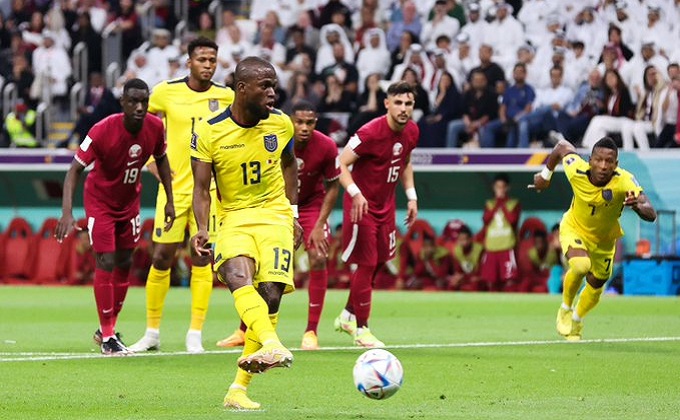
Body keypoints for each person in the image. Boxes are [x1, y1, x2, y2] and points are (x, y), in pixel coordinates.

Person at [190, 56, 303, 410]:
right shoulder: (209, 130)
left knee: (270, 295)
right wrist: (202, 229)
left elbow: (289, 165)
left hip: (274, 216)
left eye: (274, 85)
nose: (273, 92)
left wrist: (295, 214)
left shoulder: (281, 125)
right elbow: (201, 188)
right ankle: (272, 343)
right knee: (238, 276)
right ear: (242, 89)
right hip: (234, 216)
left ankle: (238, 390)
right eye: (265, 86)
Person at [128, 37, 234, 354]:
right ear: (188, 62)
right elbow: (141, 122)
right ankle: (151, 332)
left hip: (209, 193)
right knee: (161, 256)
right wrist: (149, 161)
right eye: (201, 59)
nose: (207, 64)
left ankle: (195, 334)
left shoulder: (226, 96)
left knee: (202, 257)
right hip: (173, 191)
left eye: (212, 59)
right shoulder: (165, 91)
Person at [55, 78, 175, 355]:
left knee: (124, 261)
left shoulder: (155, 127)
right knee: (106, 259)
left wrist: (169, 198)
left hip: (129, 203)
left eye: (144, 101)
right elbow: (74, 170)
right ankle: (108, 336)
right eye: (133, 101)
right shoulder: (102, 130)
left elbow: (162, 159)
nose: (140, 107)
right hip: (100, 203)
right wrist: (66, 212)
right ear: (123, 103)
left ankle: (106, 329)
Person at [216, 100, 341, 351]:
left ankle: (311, 332)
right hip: (273, 206)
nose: (304, 127)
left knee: (317, 257)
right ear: (290, 119)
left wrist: (319, 224)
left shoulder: (326, 146)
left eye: (310, 122)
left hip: (309, 206)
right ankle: (243, 330)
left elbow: (333, 186)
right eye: (299, 121)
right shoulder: (271, 134)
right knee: (257, 265)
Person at [530, 134, 657, 341]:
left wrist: (637, 206)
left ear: (616, 164)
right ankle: (565, 308)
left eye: (609, 161)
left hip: (604, 241)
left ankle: (577, 320)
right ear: (590, 160)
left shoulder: (624, 180)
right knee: (580, 265)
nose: (603, 165)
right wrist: (545, 175)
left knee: (597, 283)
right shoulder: (576, 169)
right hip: (574, 228)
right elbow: (562, 146)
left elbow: (651, 213)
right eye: (598, 159)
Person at [334, 81, 419, 348]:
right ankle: (362, 329)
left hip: (386, 206)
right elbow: (341, 163)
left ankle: (347, 315)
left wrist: (412, 195)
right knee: (367, 264)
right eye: (398, 103)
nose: (403, 109)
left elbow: (404, 162)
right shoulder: (370, 132)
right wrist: (355, 193)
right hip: (363, 207)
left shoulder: (412, 131)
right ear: (387, 104)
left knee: (382, 260)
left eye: (408, 104)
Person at [479, 173, 521, 292]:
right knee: (490, 281)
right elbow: (486, 220)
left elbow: (513, 220)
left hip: (506, 246)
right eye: (498, 187)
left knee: (509, 280)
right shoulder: (490, 204)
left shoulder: (513, 204)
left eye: (502, 187)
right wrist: (497, 202)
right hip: (491, 246)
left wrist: (502, 203)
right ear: (494, 188)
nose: (500, 189)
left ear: (507, 188)